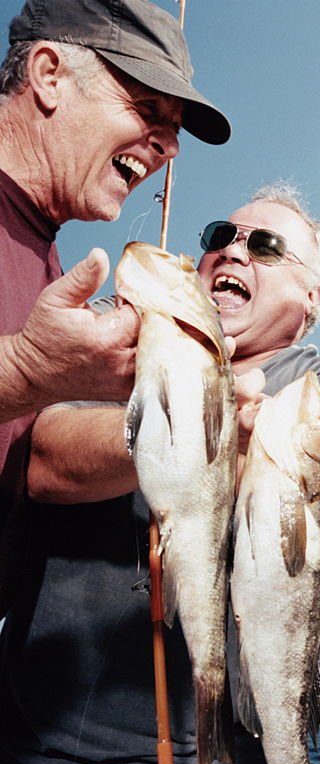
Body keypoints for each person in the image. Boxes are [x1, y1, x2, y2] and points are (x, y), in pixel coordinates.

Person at [0, 183, 320, 764]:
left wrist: (232, 436)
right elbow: (43, 460)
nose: (233, 252)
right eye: (220, 237)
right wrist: (194, 423)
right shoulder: (116, 345)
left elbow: (317, 503)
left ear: (312, 297)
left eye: (265, 245)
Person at [0, 0, 230, 616]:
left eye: (175, 127)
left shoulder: (48, 264)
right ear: (49, 75)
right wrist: (26, 370)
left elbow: (34, 457)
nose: (170, 147)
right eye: (147, 109)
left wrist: (195, 421)